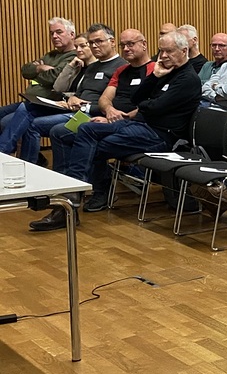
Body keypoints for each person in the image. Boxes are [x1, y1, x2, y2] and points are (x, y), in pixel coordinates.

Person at [54, 30, 202, 214]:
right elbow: (136, 98)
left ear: (184, 51)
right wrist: (154, 77)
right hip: (139, 125)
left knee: (93, 146)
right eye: (161, 51)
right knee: (86, 129)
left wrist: (146, 104)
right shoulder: (165, 71)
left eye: (169, 51)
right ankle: (74, 191)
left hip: (160, 135)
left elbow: (154, 107)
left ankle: (80, 194)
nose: (163, 56)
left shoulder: (188, 79)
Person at [30, 30, 155, 229]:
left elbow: (150, 105)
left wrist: (118, 117)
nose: (126, 49)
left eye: (131, 44)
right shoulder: (122, 71)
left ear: (144, 44)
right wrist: (109, 111)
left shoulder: (153, 70)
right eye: (124, 45)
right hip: (105, 118)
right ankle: (62, 192)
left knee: (88, 135)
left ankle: (90, 193)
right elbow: (105, 98)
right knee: (59, 132)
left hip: (129, 123)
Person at [0, 24, 124, 164]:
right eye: (91, 43)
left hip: (89, 114)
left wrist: (84, 106)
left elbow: (117, 102)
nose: (94, 46)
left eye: (99, 41)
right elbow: (75, 91)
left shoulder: (121, 67)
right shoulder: (92, 67)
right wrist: (72, 98)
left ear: (112, 42)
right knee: (26, 108)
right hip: (74, 109)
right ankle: (12, 158)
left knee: (35, 125)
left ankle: (16, 159)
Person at [1, 17, 77, 132]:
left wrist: (36, 73)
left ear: (72, 34)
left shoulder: (74, 56)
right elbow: (25, 70)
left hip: (49, 104)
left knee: (6, 122)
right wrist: (41, 68)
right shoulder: (50, 55)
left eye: (59, 32)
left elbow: (54, 78)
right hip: (32, 100)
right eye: (52, 33)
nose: (54, 36)